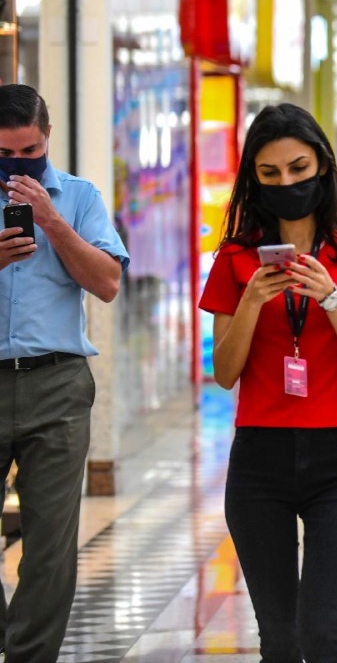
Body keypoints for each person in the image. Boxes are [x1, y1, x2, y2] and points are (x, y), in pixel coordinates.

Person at [199, 103, 337, 660]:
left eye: (298, 167)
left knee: (324, 633)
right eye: (270, 173)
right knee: (280, 641)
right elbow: (225, 373)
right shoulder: (236, 259)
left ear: (323, 167)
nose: (287, 182)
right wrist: (253, 303)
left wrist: (332, 297)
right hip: (259, 459)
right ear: (253, 179)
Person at [0, 84, 128, 660]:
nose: (15, 166)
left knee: (50, 544)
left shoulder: (78, 197)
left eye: (28, 153)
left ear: (47, 138)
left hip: (57, 383)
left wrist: (52, 223)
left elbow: (106, 284)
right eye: (4, 154)